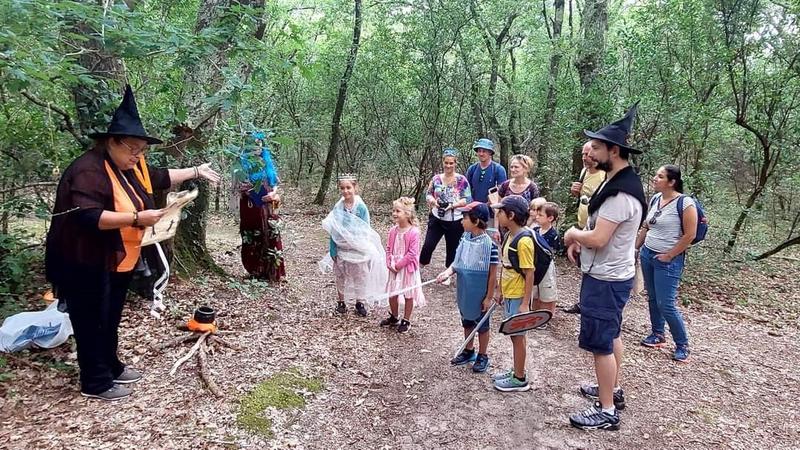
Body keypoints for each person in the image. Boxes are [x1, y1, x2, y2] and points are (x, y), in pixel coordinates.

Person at [45, 85, 220, 401]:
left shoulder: (130, 163)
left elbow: (158, 176)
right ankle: (94, 382)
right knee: (90, 319)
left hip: (117, 257)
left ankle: (110, 366)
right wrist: (138, 218)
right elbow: (89, 217)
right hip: (83, 259)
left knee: (110, 316)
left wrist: (196, 171)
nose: (138, 155)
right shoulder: (87, 169)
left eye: (142, 150)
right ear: (111, 142)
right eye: (132, 149)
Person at [563, 103, 647, 430]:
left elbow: (598, 238)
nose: (591, 152)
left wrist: (572, 233)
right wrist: (579, 242)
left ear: (614, 151)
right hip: (611, 273)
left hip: (607, 278)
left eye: (597, 147)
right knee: (611, 337)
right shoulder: (616, 181)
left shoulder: (620, 194)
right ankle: (611, 388)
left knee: (601, 343)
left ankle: (607, 410)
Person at [636, 165, 697, 362]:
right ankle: (657, 334)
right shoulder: (656, 199)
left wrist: (670, 255)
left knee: (666, 303)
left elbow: (690, 235)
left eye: (660, 176)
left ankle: (682, 344)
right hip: (648, 254)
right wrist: (636, 248)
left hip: (668, 261)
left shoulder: (685, 204)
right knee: (653, 297)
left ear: (672, 182)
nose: (655, 178)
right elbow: (647, 226)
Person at [437, 202, 499, 373]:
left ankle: (482, 355)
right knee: (467, 321)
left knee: (482, 325)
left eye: (464, 218)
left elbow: (493, 273)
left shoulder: (490, 245)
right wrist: (446, 273)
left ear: (477, 220)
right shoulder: (464, 239)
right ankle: (468, 350)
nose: (461, 221)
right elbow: (456, 263)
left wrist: (488, 297)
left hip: (480, 292)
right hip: (465, 290)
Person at [322, 174, 387, 317]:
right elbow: (334, 228)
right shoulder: (338, 207)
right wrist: (333, 248)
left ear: (355, 188)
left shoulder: (361, 207)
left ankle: (360, 302)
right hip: (341, 247)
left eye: (348, 187)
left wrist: (359, 243)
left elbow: (365, 228)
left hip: (358, 247)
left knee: (360, 275)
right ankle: (341, 302)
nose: (345, 191)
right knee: (340, 274)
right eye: (342, 188)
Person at [490, 195, 536, 392]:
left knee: (517, 336)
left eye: (500, 212)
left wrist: (526, 303)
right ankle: (516, 370)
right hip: (509, 293)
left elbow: (529, 272)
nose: (497, 215)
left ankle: (519, 378)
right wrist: (499, 289)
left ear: (511, 215)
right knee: (513, 335)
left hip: (518, 296)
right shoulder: (509, 235)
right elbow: (506, 265)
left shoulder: (524, 241)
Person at [564, 142, 607, 314]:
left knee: (595, 267)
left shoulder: (605, 176)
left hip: (597, 228)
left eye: (588, 154)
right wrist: (577, 192)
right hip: (583, 224)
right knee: (585, 266)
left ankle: (594, 305)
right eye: (582, 154)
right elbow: (584, 198)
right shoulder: (584, 172)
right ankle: (584, 302)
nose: (584, 157)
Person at [238, 132, 285, 282]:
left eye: (259, 143)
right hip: (251, 206)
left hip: (270, 205)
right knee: (253, 236)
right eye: (254, 143)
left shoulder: (266, 161)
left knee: (272, 233)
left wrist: (273, 193)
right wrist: (253, 192)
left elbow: (274, 182)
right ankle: (255, 271)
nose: (257, 146)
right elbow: (239, 186)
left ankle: (273, 271)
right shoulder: (242, 164)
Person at [420, 148, 472, 281]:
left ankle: (447, 273)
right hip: (437, 217)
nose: (448, 166)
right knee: (428, 245)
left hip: (454, 219)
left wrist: (453, 205)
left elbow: (467, 199)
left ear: (455, 163)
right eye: (446, 163)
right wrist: (433, 201)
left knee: (452, 248)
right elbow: (428, 194)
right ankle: (419, 268)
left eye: (451, 163)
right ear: (443, 162)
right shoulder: (436, 179)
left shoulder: (462, 180)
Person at [380, 197, 426, 333]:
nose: (394, 213)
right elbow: (388, 248)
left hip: (407, 268)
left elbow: (412, 253)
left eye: (398, 211)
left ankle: (406, 319)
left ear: (407, 213)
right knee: (392, 293)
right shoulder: (393, 231)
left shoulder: (414, 232)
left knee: (408, 293)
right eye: (393, 210)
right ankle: (394, 316)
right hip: (394, 267)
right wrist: (389, 262)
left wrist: (399, 265)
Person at [530, 201, 560, 320]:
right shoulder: (535, 231)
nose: (537, 217)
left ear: (550, 218)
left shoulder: (553, 234)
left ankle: (544, 317)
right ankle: (534, 315)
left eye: (540, 215)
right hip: (535, 264)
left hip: (546, 266)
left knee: (546, 292)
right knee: (535, 290)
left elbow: (553, 251)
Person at [465, 138, 507, 205]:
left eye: (484, 151)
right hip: (473, 208)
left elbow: (502, 192)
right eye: (479, 151)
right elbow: (466, 190)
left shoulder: (498, 170)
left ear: (490, 152)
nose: (481, 154)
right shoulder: (472, 169)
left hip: (492, 209)